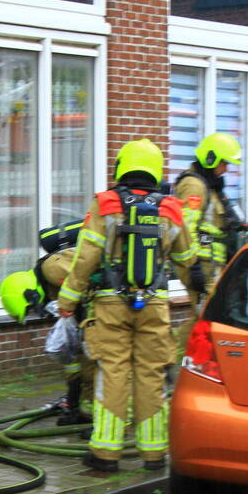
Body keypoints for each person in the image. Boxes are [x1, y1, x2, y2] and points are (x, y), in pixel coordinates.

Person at [56, 139, 198, 473]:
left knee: (112, 371)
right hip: (154, 305)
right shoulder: (171, 208)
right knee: (151, 374)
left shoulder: (105, 204)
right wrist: (201, 302)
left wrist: (67, 300)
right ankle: (153, 453)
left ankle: (106, 453)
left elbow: (85, 257)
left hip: (110, 304)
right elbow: (188, 263)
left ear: (122, 166)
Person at [0, 242, 94, 426]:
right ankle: (83, 411)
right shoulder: (51, 291)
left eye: (32, 309)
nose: (37, 311)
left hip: (104, 314)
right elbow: (72, 362)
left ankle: (99, 419)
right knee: (78, 361)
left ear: (30, 294)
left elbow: (87, 280)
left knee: (93, 366)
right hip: (88, 319)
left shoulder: (52, 269)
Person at [172, 133, 245, 353]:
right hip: (201, 267)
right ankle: (173, 360)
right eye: (224, 163)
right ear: (211, 159)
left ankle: (186, 362)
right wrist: (193, 267)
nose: (225, 170)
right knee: (205, 318)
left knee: (206, 318)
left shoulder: (210, 187)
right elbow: (186, 228)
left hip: (212, 266)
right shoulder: (194, 186)